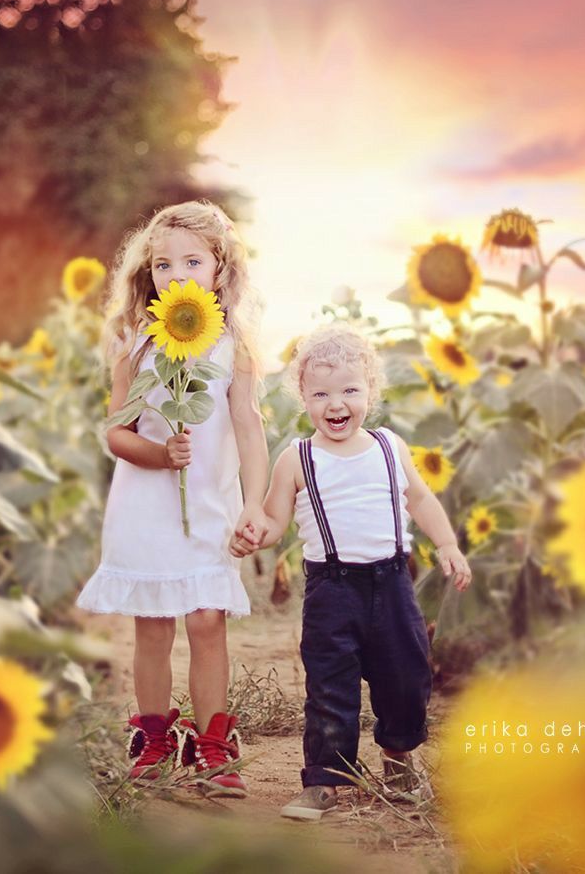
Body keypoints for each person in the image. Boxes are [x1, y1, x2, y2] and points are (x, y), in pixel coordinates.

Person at [230, 323, 472, 820]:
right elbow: (276, 519)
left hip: (392, 583)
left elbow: (421, 499)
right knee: (329, 686)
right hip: (331, 590)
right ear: (303, 397)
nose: (335, 404)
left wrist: (446, 542)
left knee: (405, 678)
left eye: (349, 390)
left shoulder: (389, 447)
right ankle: (324, 779)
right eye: (320, 393)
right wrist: (257, 532)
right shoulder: (297, 459)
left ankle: (399, 761)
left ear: (370, 392)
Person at [77, 201, 269, 796]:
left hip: (210, 501)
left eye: (193, 260)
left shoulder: (230, 343)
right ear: (148, 274)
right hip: (146, 502)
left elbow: (249, 427)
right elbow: (116, 431)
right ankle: (154, 736)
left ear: (221, 269)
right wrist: (160, 455)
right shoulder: (136, 341)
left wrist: (255, 504)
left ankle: (214, 745)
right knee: (154, 624)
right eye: (163, 264)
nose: (177, 274)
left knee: (208, 619)